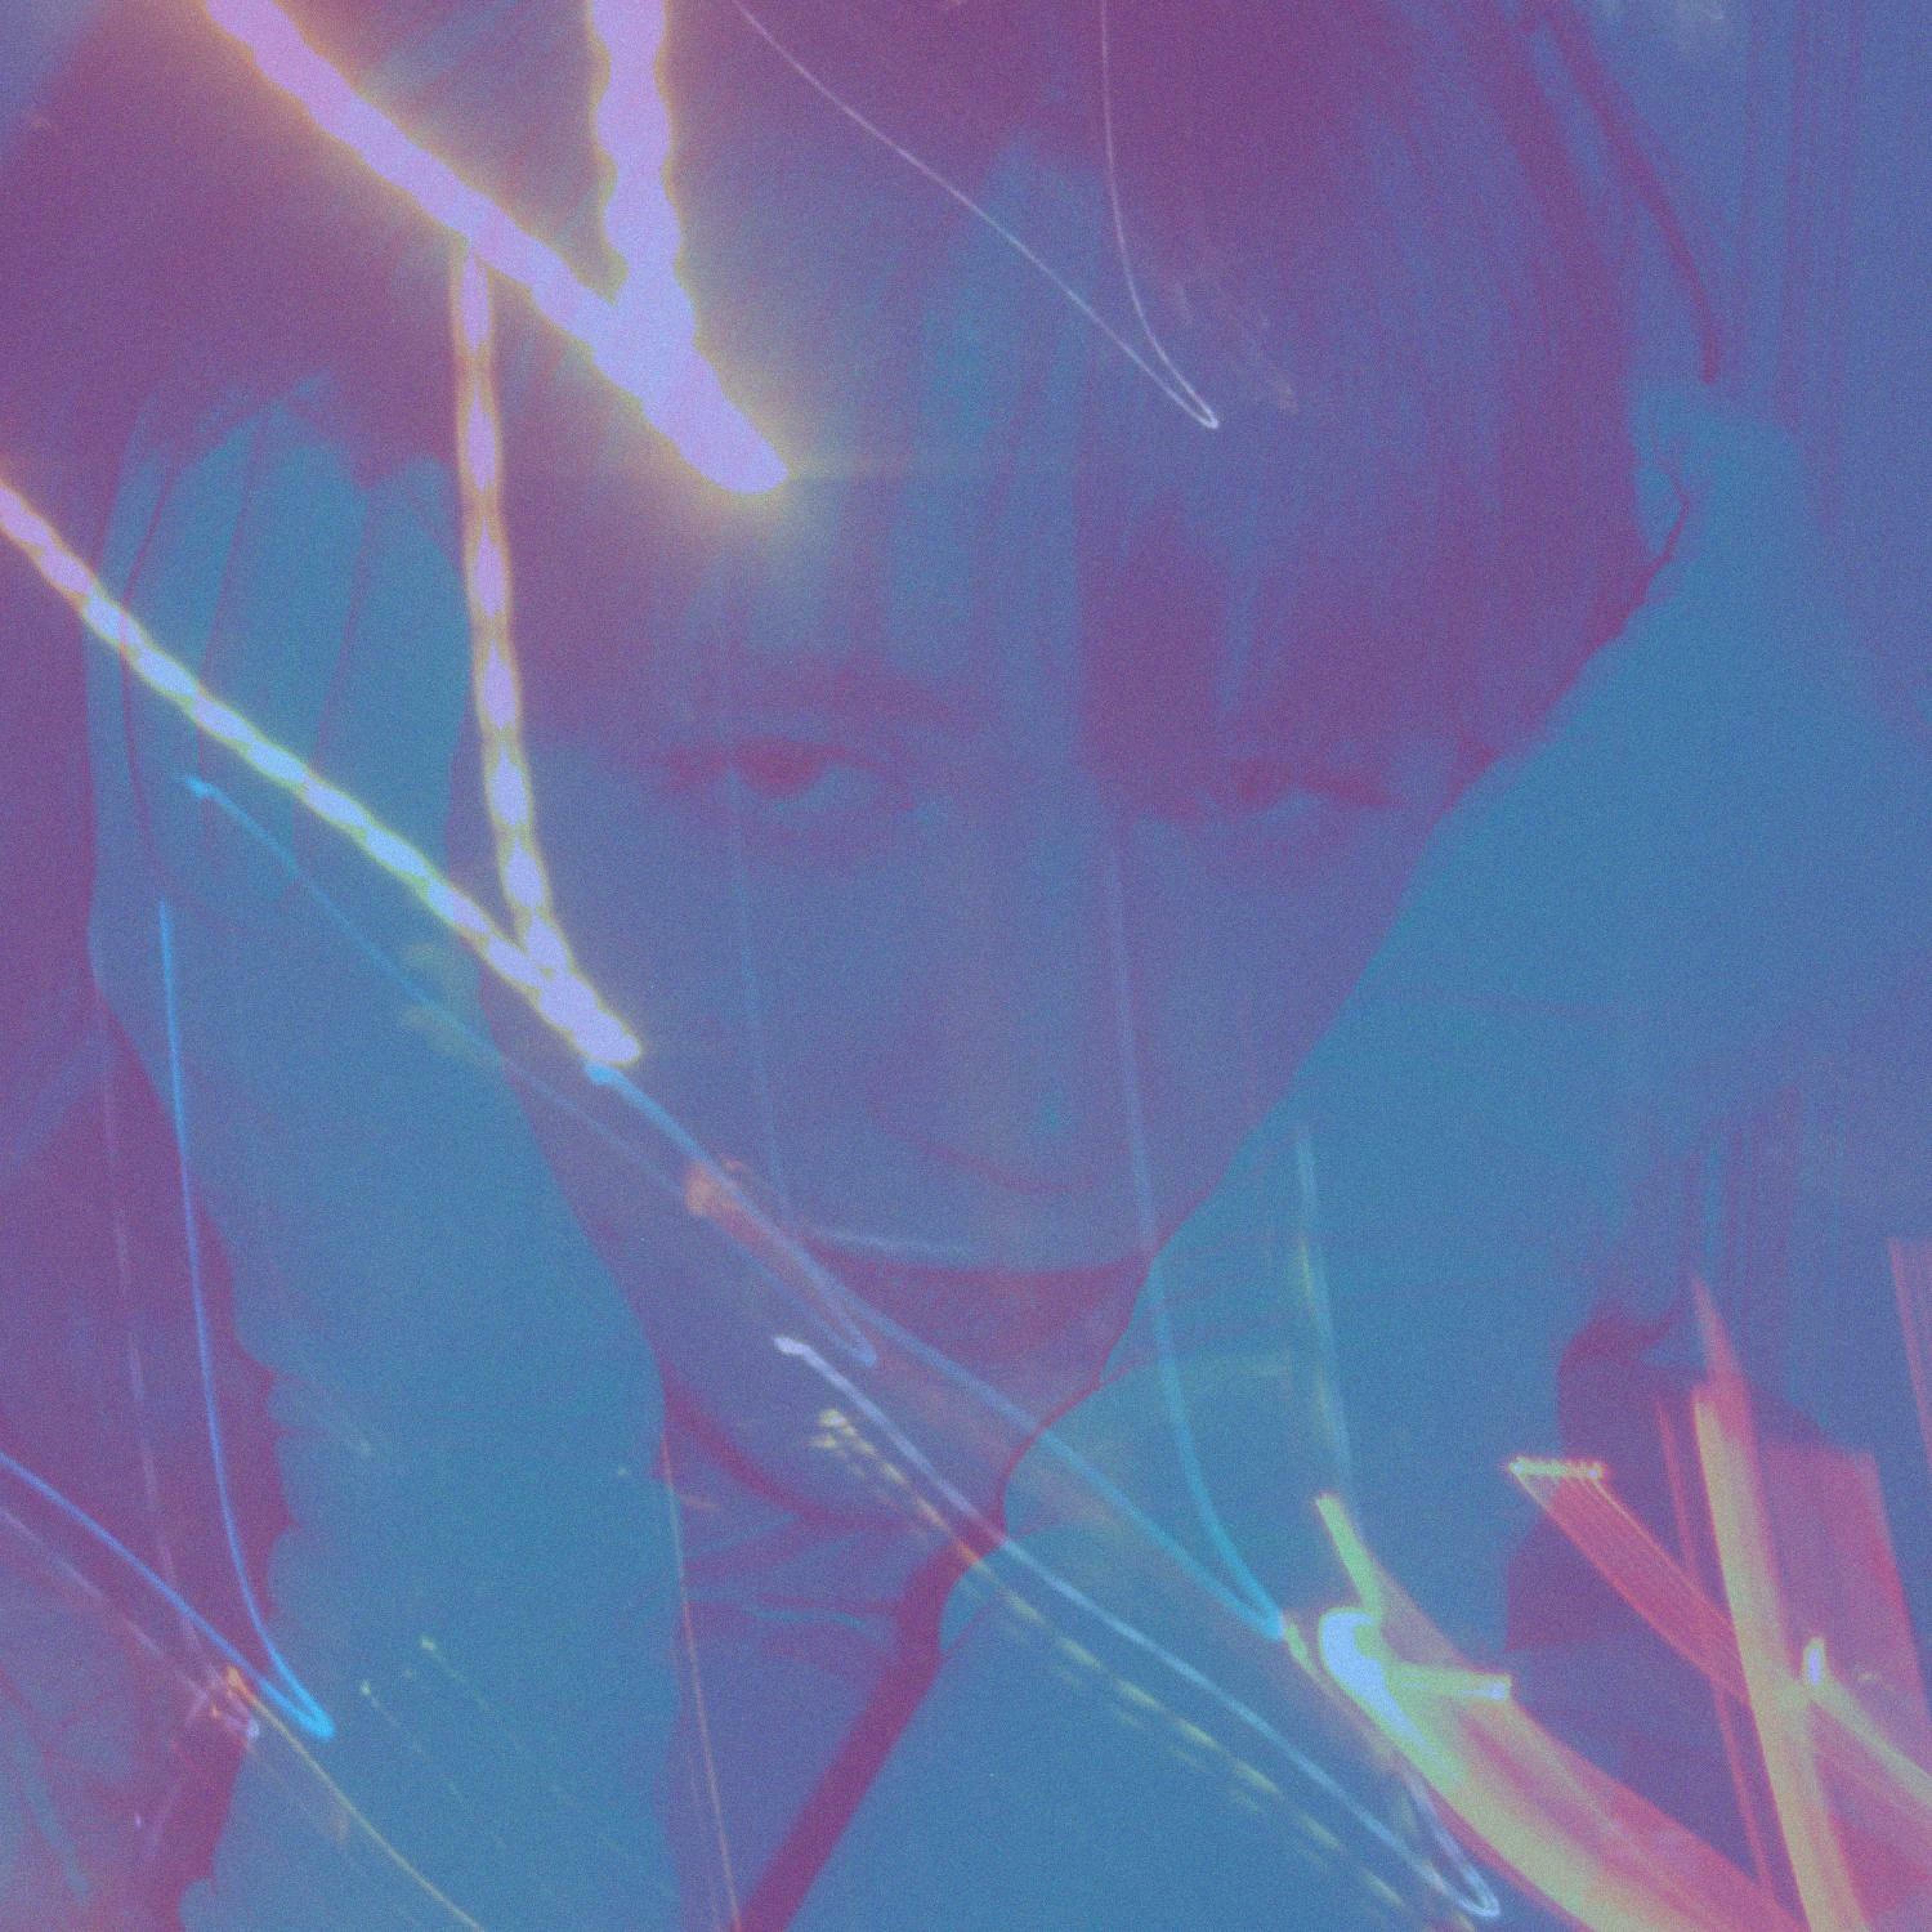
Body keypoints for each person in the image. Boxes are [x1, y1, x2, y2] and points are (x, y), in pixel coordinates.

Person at [8, 0, 1910, 1926]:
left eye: (1271, 786)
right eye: (793, 773)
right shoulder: (58, 1713)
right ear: (296, 665)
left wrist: (1443, 1195)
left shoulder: (1732, 1745)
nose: (1056, 1104)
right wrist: (468, 1516)